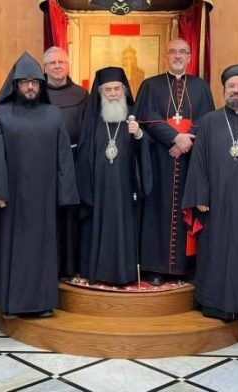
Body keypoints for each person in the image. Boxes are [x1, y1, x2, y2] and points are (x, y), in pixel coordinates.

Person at [0, 52, 78, 318]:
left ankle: (41, 302)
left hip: (44, 197)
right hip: (12, 198)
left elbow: (63, 156)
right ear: (15, 85)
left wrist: (65, 193)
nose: (31, 87)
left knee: (43, 250)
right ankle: (12, 303)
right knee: (14, 250)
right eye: (25, 82)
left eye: (35, 82)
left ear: (41, 84)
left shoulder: (53, 114)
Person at [182, 64, 238, 320]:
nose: (236, 90)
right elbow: (198, 160)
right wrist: (200, 195)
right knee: (216, 250)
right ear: (223, 91)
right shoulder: (209, 121)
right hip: (216, 201)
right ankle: (213, 303)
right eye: (231, 86)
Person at [134, 38, 214, 286]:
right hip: (159, 158)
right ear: (165, 57)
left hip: (190, 161)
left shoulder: (201, 87)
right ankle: (156, 267)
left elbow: (208, 119)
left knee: (186, 210)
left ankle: (184, 266)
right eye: (173, 52)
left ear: (190, 57)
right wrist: (175, 138)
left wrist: (186, 142)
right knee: (157, 211)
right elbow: (145, 116)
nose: (177, 56)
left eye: (182, 52)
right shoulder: (150, 85)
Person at [75, 67, 151, 285]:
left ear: (124, 90)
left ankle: (123, 273)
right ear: (100, 93)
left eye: (117, 89)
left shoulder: (133, 117)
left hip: (125, 188)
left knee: (123, 227)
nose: (113, 93)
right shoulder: (92, 119)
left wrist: (138, 135)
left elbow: (143, 151)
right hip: (98, 188)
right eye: (108, 90)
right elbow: (83, 154)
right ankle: (98, 271)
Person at [43, 46, 89, 278]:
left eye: (61, 62)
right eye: (52, 63)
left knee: (71, 215)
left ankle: (70, 267)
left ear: (68, 65)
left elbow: (90, 131)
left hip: (74, 162)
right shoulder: (35, 94)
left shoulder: (82, 95)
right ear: (45, 67)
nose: (58, 66)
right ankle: (48, 266)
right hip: (44, 164)